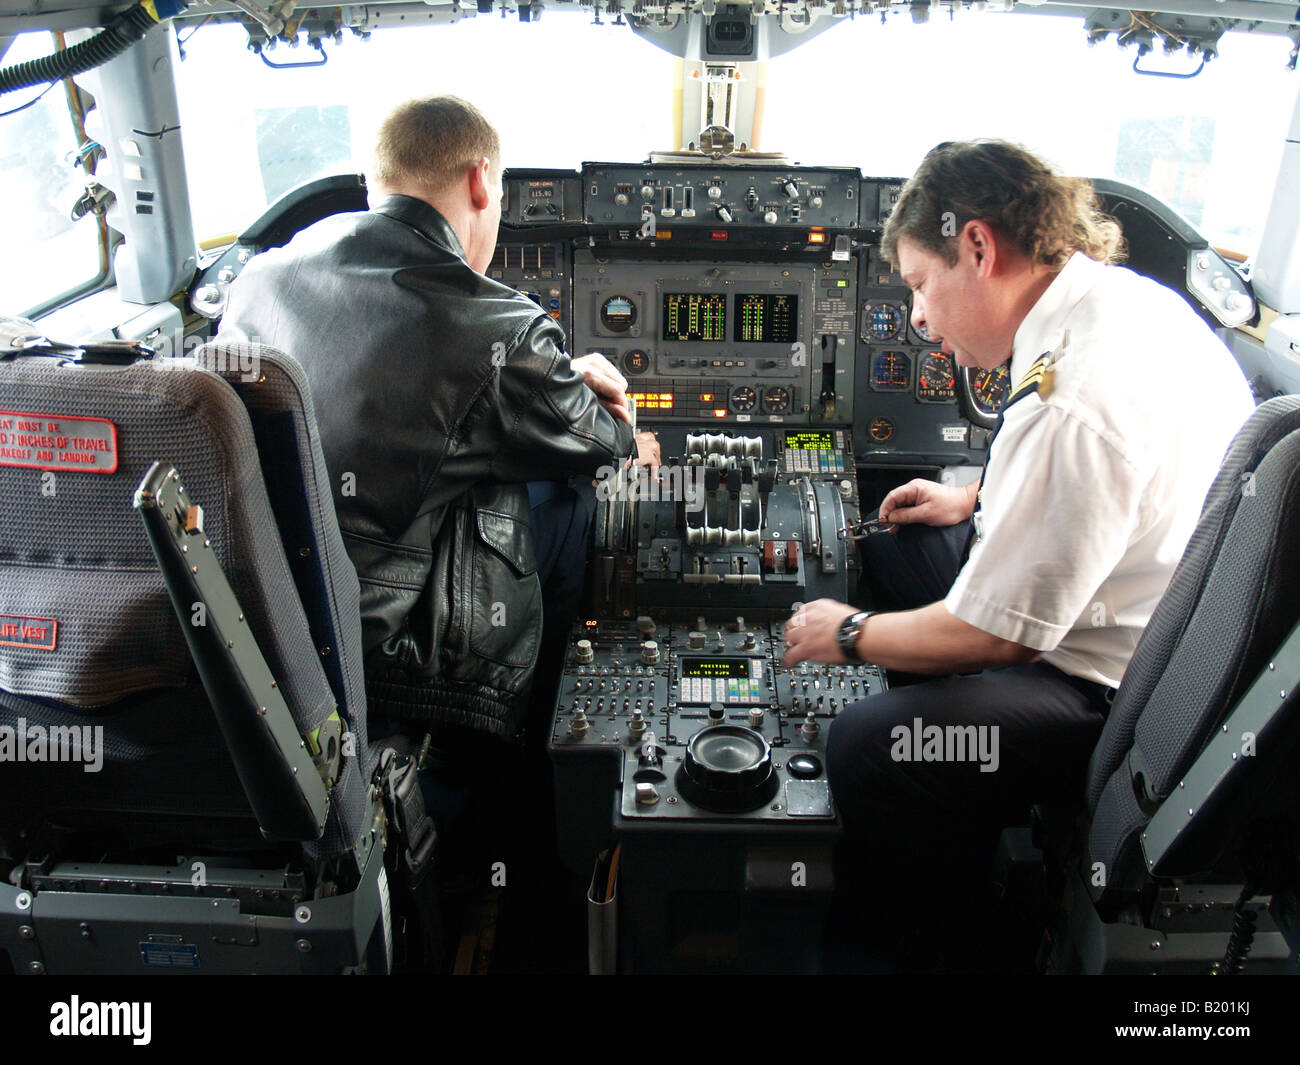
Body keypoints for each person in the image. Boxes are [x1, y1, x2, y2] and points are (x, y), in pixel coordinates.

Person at [780, 140, 1255, 968]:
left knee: (869, 744)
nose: (919, 320)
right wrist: (975, 499)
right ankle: (953, 800)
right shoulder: (1114, 305)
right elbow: (1103, 488)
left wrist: (848, 632)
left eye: (922, 286)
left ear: (978, 247)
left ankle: (917, 938)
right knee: (901, 544)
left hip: (1106, 692)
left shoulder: (1072, 394)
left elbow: (1001, 638)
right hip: (1142, 611)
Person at [220, 95, 658, 764]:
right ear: (481, 181)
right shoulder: (497, 324)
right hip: (376, 640)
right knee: (576, 494)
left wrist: (539, 375)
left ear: (376, 183)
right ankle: (524, 748)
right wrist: (608, 411)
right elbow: (604, 445)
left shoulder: (259, 276)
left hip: (249, 604)